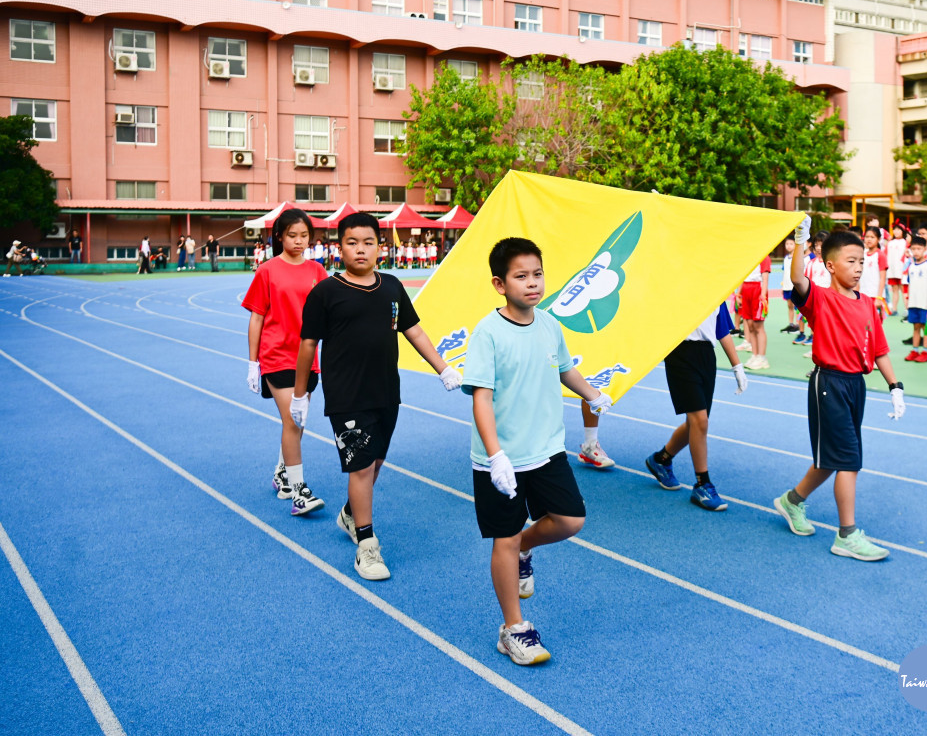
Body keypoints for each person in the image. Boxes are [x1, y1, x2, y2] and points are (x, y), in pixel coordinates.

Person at [462, 237, 612, 664]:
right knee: (502, 541)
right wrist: (495, 456)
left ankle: (524, 547)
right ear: (499, 283)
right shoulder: (488, 333)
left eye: (537, 274)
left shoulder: (549, 324)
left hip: (546, 450)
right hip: (502, 460)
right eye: (521, 276)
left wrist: (592, 393)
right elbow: (481, 399)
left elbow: (565, 368)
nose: (532, 283)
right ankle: (514, 628)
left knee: (571, 520)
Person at [293, 212, 462, 581]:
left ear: (379, 247)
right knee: (362, 466)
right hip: (347, 397)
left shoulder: (391, 286)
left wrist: (443, 368)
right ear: (340, 247)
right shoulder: (326, 293)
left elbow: (414, 331)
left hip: (387, 392)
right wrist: (300, 394)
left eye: (368, 242)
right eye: (352, 243)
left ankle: (351, 514)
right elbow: (308, 345)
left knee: (376, 463)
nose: (360, 249)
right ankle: (366, 546)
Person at [773, 227, 904, 562]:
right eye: (851, 260)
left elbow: (880, 350)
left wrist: (895, 387)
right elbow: (798, 278)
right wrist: (801, 241)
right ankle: (847, 534)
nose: (859, 267)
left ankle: (792, 500)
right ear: (831, 266)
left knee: (833, 457)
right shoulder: (820, 298)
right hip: (829, 382)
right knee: (848, 459)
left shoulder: (868, 305)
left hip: (855, 386)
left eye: (862, 261)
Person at [243, 209, 329, 517]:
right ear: (279, 236)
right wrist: (253, 363)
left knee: (298, 421)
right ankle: (298, 492)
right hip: (276, 355)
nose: (299, 241)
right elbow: (256, 317)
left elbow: (328, 315)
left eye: (304, 235)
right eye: (292, 235)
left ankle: (282, 472)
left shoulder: (317, 272)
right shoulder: (267, 271)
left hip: (308, 359)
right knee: (292, 421)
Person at [645, 305, 749, 510]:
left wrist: (737, 366)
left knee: (697, 423)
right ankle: (702, 484)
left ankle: (661, 459)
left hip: (706, 355)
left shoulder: (717, 288)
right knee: (699, 420)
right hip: (680, 354)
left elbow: (722, 331)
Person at [903, 235, 927, 363]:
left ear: (925, 249)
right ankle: (915, 350)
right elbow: (910, 284)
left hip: (926, 303)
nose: (916, 252)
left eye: (919, 249)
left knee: (926, 327)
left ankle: (925, 352)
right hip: (914, 303)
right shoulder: (911, 266)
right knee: (916, 327)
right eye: (914, 249)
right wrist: (907, 299)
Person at [737, 253, 772, 370]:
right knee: (750, 325)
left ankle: (762, 358)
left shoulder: (764, 257)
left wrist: (763, 295)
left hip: (757, 291)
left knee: (758, 326)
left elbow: (765, 278)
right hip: (746, 290)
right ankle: (755, 355)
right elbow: (742, 276)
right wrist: (738, 293)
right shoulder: (747, 256)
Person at [860, 227, 888, 315]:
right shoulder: (862, 254)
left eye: (872, 237)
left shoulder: (880, 255)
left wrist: (879, 297)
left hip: (875, 296)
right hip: (863, 295)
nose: (869, 239)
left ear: (879, 239)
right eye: (867, 237)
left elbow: (882, 278)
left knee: (875, 326)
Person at [885, 223, 908, 316]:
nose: (896, 231)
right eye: (895, 229)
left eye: (899, 230)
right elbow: (885, 254)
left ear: (903, 231)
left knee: (903, 290)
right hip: (892, 270)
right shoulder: (890, 243)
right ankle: (894, 309)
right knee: (894, 289)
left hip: (902, 270)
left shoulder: (905, 242)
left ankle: (907, 309)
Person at [780, 236, 800, 334]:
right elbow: (785, 273)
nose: (788, 246)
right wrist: (783, 286)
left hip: (794, 287)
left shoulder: (797, 258)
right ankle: (791, 323)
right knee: (789, 305)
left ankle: (797, 324)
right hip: (787, 286)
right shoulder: (786, 258)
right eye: (787, 244)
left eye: (791, 244)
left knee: (796, 305)